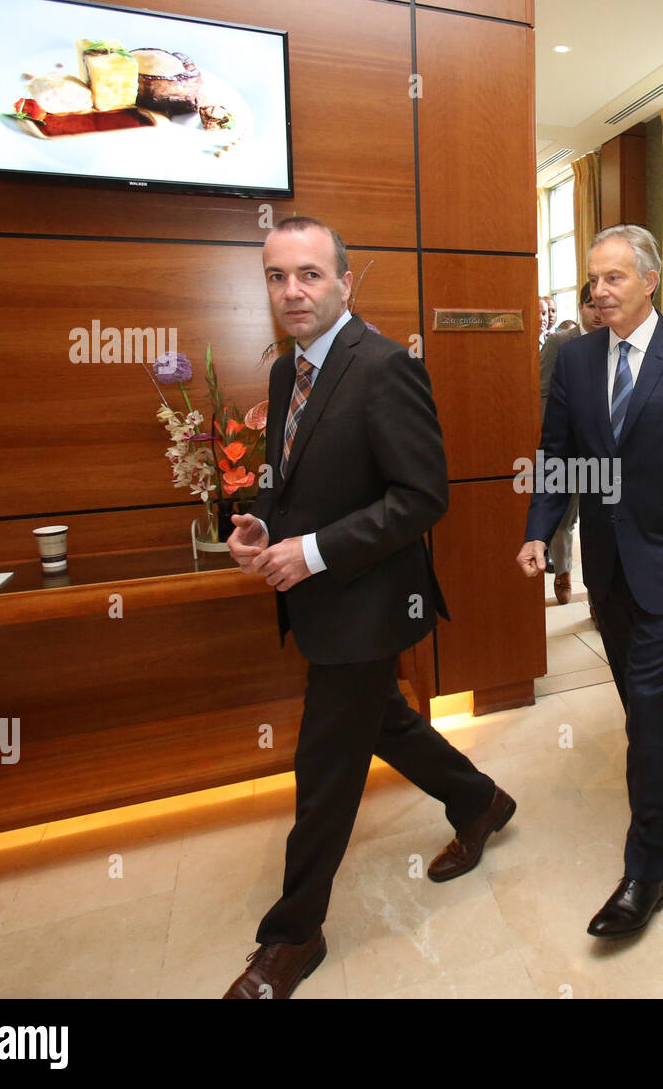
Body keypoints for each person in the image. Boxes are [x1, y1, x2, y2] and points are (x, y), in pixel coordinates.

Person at [223, 216, 514, 999]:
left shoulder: (384, 367)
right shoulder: (290, 373)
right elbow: (295, 477)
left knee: (324, 767)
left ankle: (292, 938)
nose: (292, 291)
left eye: (309, 274)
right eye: (278, 276)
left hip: (369, 604)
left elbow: (423, 497)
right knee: (383, 720)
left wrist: (311, 551)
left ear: (344, 283)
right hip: (321, 603)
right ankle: (479, 798)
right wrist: (259, 524)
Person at [518, 225, 663, 938]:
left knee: (649, 703)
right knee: (640, 698)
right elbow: (557, 453)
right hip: (608, 567)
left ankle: (648, 867)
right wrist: (539, 529)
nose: (599, 291)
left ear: (650, 280)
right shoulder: (578, 358)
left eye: (614, 278)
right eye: (594, 279)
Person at [538, 285, 597, 604]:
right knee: (565, 518)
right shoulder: (560, 342)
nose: (598, 313)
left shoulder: (619, 339)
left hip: (606, 454)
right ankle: (562, 570)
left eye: (602, 306)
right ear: (580, 308)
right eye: (591, 306)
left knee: (600, 519)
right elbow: (543, 392)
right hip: (569, 450)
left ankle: (597, 594)